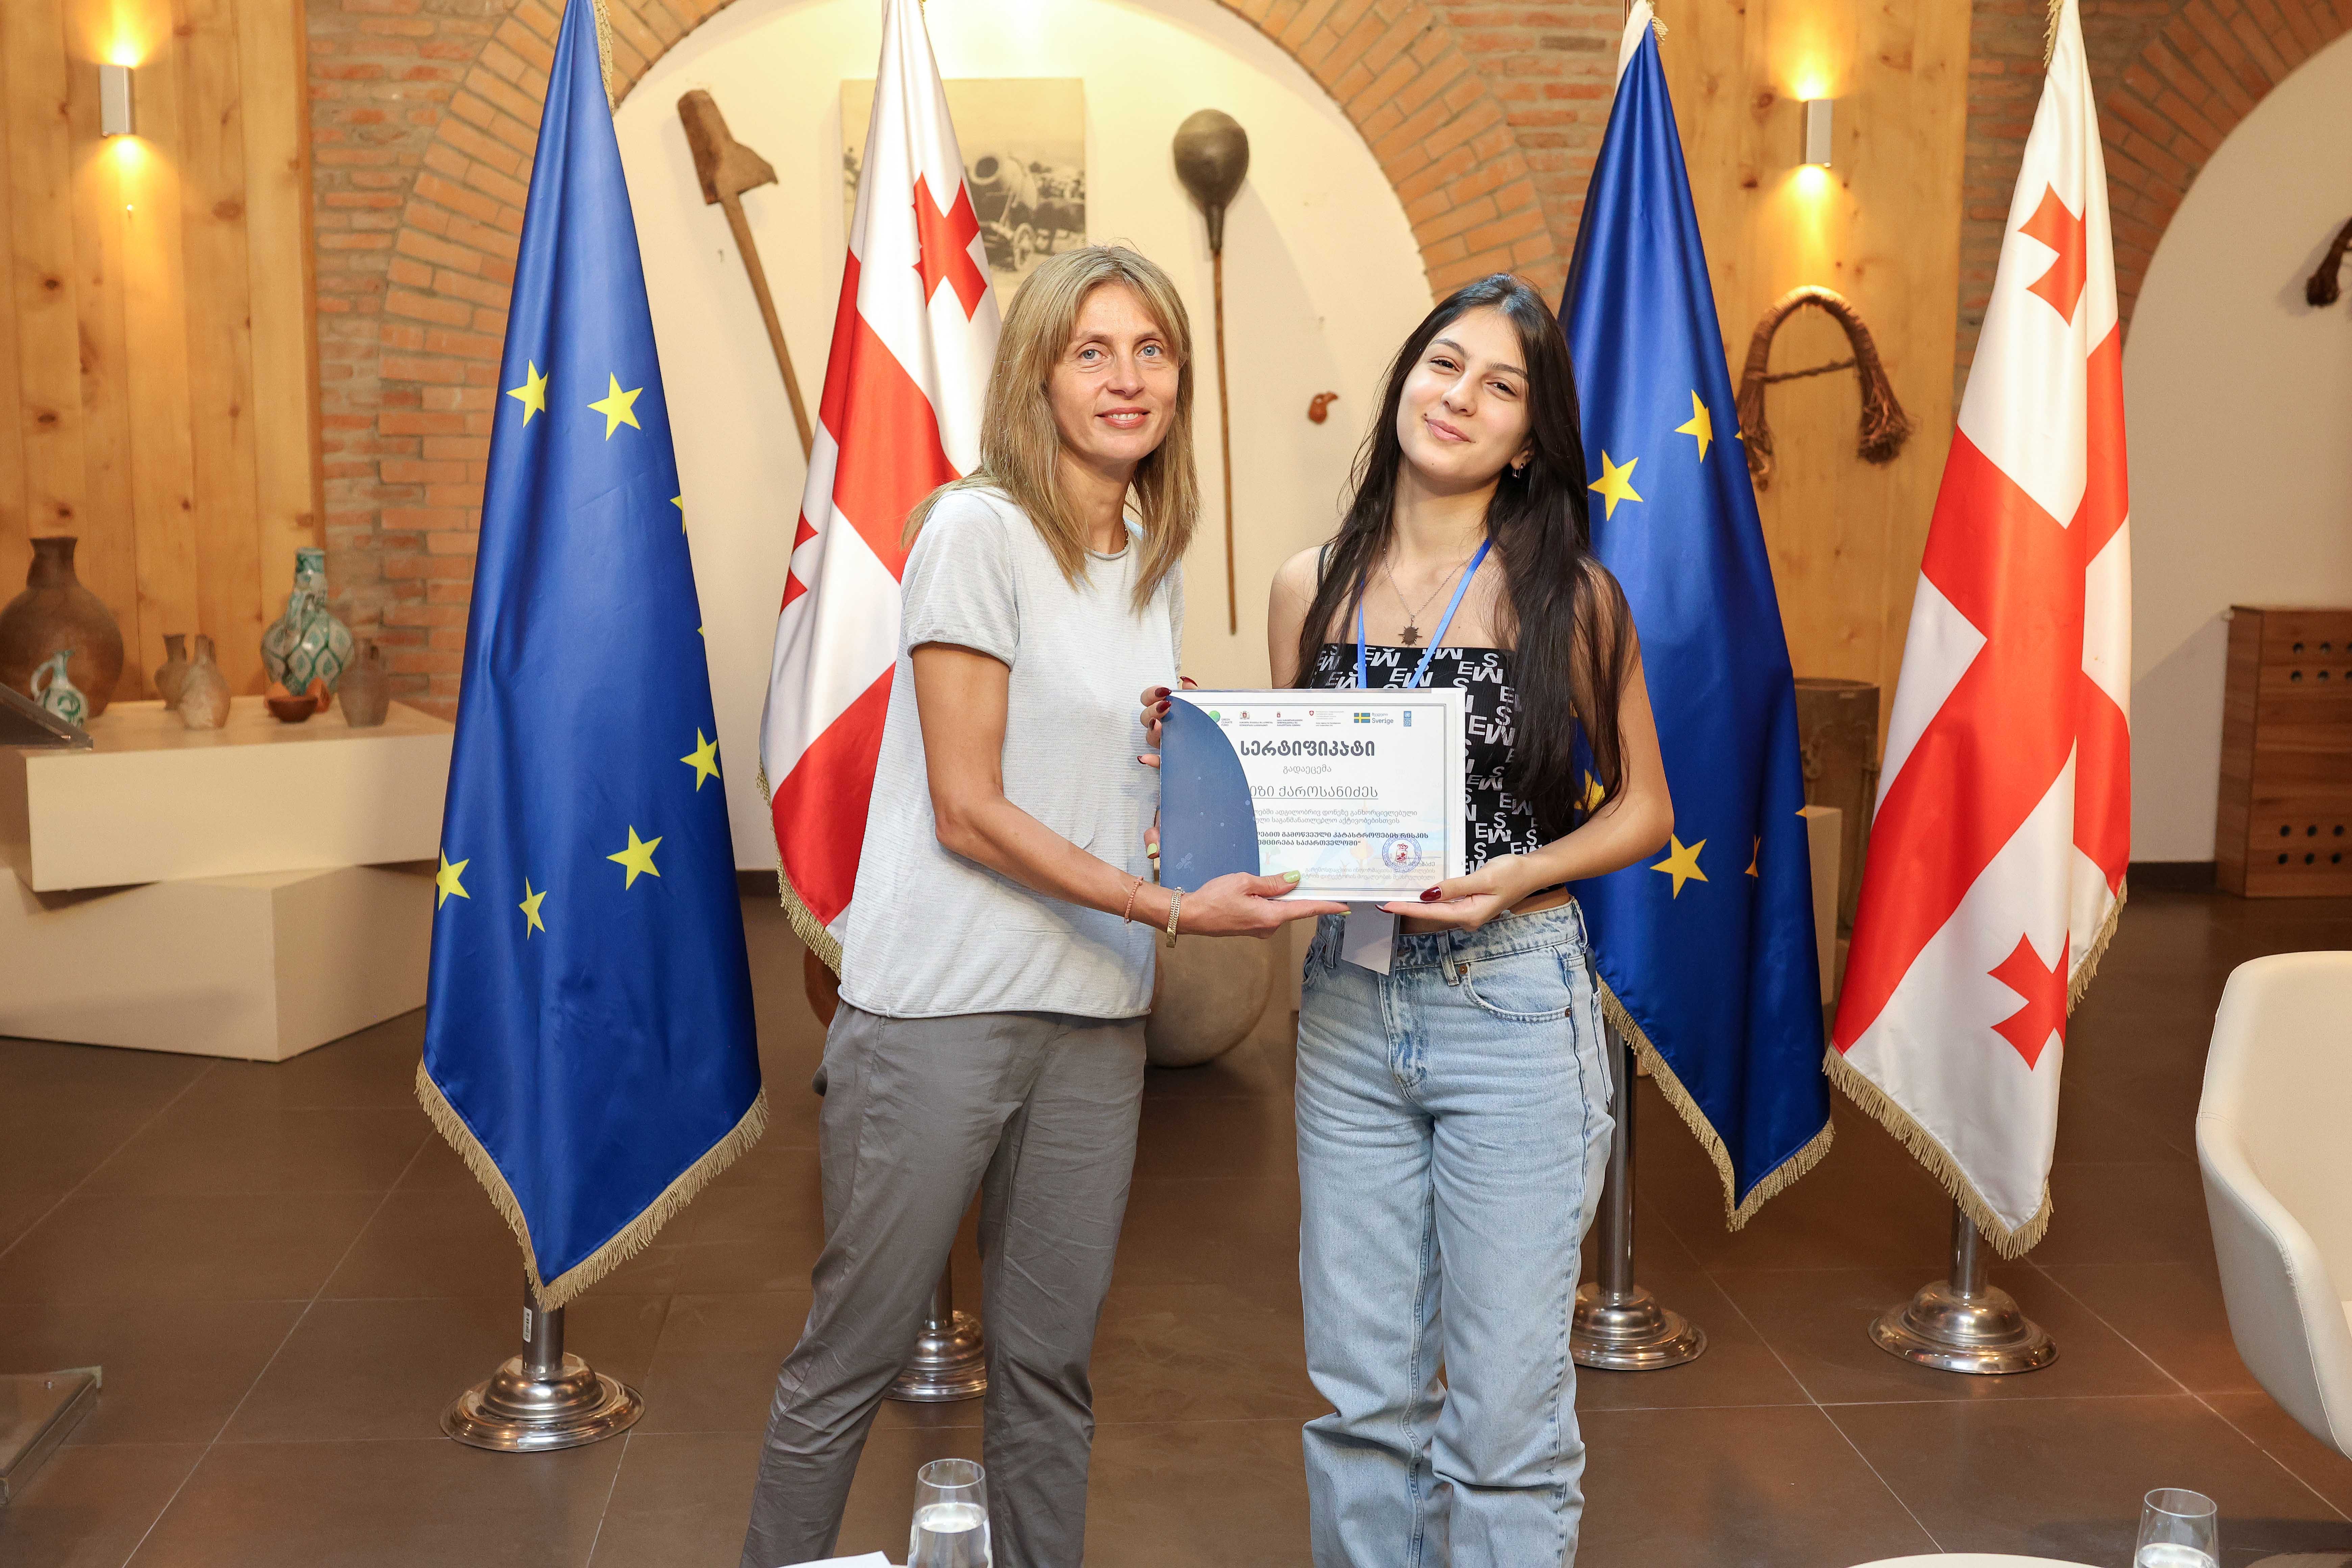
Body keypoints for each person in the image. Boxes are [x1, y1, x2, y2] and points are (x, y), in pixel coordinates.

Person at [739, 244, 1337, 1568]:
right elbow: (968, 806)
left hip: (1097, 1012)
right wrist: (1166, 907)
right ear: (1039, 377)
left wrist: (1212, 772)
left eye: (1152, 350)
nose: (1127, 379)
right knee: (852, 1354)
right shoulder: (977, 530)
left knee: (1049, 1365)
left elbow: (1104, 758)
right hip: (943, 1004)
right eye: (1092, 351)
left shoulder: (1150, 554)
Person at [1263, 273, 1673, 1565]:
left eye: (1503, 387)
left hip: (1513, 1002)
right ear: (1406, 380)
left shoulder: (1573, 599)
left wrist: (1516, 872)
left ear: (1531, 439)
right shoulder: (1309, 585)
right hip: (1348, 1002)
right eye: (1445, 364)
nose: (1461, 398)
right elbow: (1305, 800)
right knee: (1361, 1402)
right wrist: (1213, 774)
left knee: (1503, 1420)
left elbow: (1646, 809)